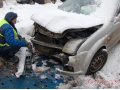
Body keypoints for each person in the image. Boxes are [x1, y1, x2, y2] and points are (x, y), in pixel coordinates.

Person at [0, 12, 32, 77]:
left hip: (1, 45)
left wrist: (19, 37)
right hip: (1, 48)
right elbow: (11, 42)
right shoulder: (7, 27)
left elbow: (12, 34)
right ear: (10, 19)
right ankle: (7, 57)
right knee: (19, 46)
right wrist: (24, 43)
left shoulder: (4, 22)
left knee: (19, 43)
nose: (16, 20)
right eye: (14, 19)